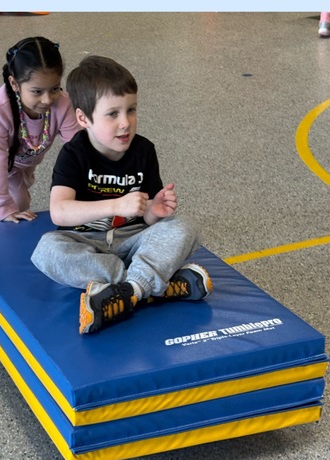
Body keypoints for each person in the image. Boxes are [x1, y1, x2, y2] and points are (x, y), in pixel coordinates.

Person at [30, 56, 213, 335]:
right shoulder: (73, 154)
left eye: (131, 110)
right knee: (47, 251)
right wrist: (116, 204)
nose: (125, 123)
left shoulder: (144, 151)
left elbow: (148, 217)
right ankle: (149, 285)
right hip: (86, 244)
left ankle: (127, 291)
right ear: (83, 118)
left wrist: (154, 211)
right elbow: (60, 211)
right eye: (112, 114)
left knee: (184, 227)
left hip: (134, 242)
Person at [0, 36, 81, 223]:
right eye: (37, 91)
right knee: (17, 202)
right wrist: (2, 207)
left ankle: (16, 188)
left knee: (23, 184)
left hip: (29, 152)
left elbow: (79, 149)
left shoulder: (63, 105)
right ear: (15, 84)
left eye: (54, 89)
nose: (48, 100)